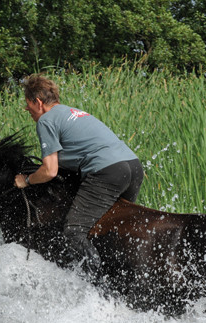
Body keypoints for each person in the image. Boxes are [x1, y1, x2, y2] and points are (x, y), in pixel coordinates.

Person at [14, 74, 144, 272]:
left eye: (28, 104)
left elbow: (49, 170)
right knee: (114, 230)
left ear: (38, 102)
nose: (27, 110)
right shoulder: (72, 112)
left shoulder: (46, 120)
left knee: (74, 231)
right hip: (133, 167)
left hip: (108, 171)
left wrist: (27, 181)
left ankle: (98, 288)